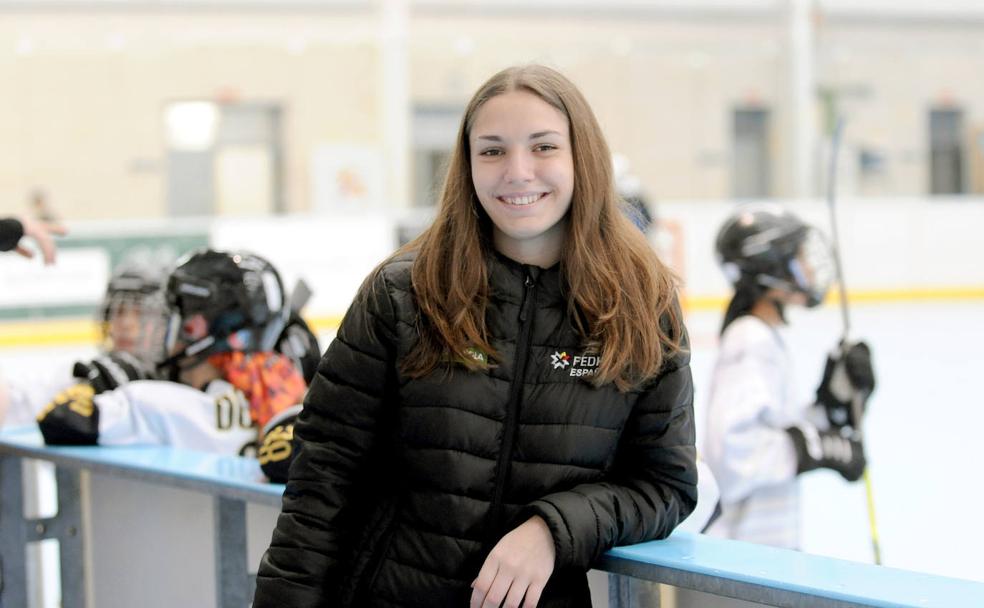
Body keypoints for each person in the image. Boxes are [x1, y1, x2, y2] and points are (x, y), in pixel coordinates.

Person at [253, 64, 697, 608]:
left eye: (543, 147)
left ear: (583, 156)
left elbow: (665, 485)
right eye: (491, 151)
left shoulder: (641, 305)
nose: (517, 171)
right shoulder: (403, 294)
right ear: (467, 166)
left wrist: (554, 529)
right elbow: (323, 481)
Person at [35, 248, 316, 483]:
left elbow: (61, 420)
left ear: (197, 331)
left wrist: (98, 390)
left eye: (172, 317)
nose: (158, 330)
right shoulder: (283, 397)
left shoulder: (152, 403)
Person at [702, 204, 876, 549]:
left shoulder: (763, 336)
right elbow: (732, 452)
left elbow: (776, 427)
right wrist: (817, 448)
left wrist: (830, 404)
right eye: (799, 258)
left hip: (760, 551)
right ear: (770, 272)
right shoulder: (751, 340)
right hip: (740, 561)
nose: (811, 268)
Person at [0, 215, 66, 265]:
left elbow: (29, 254)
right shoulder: (29, 225)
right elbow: (45, 241)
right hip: (14, 230)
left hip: (9, 239)